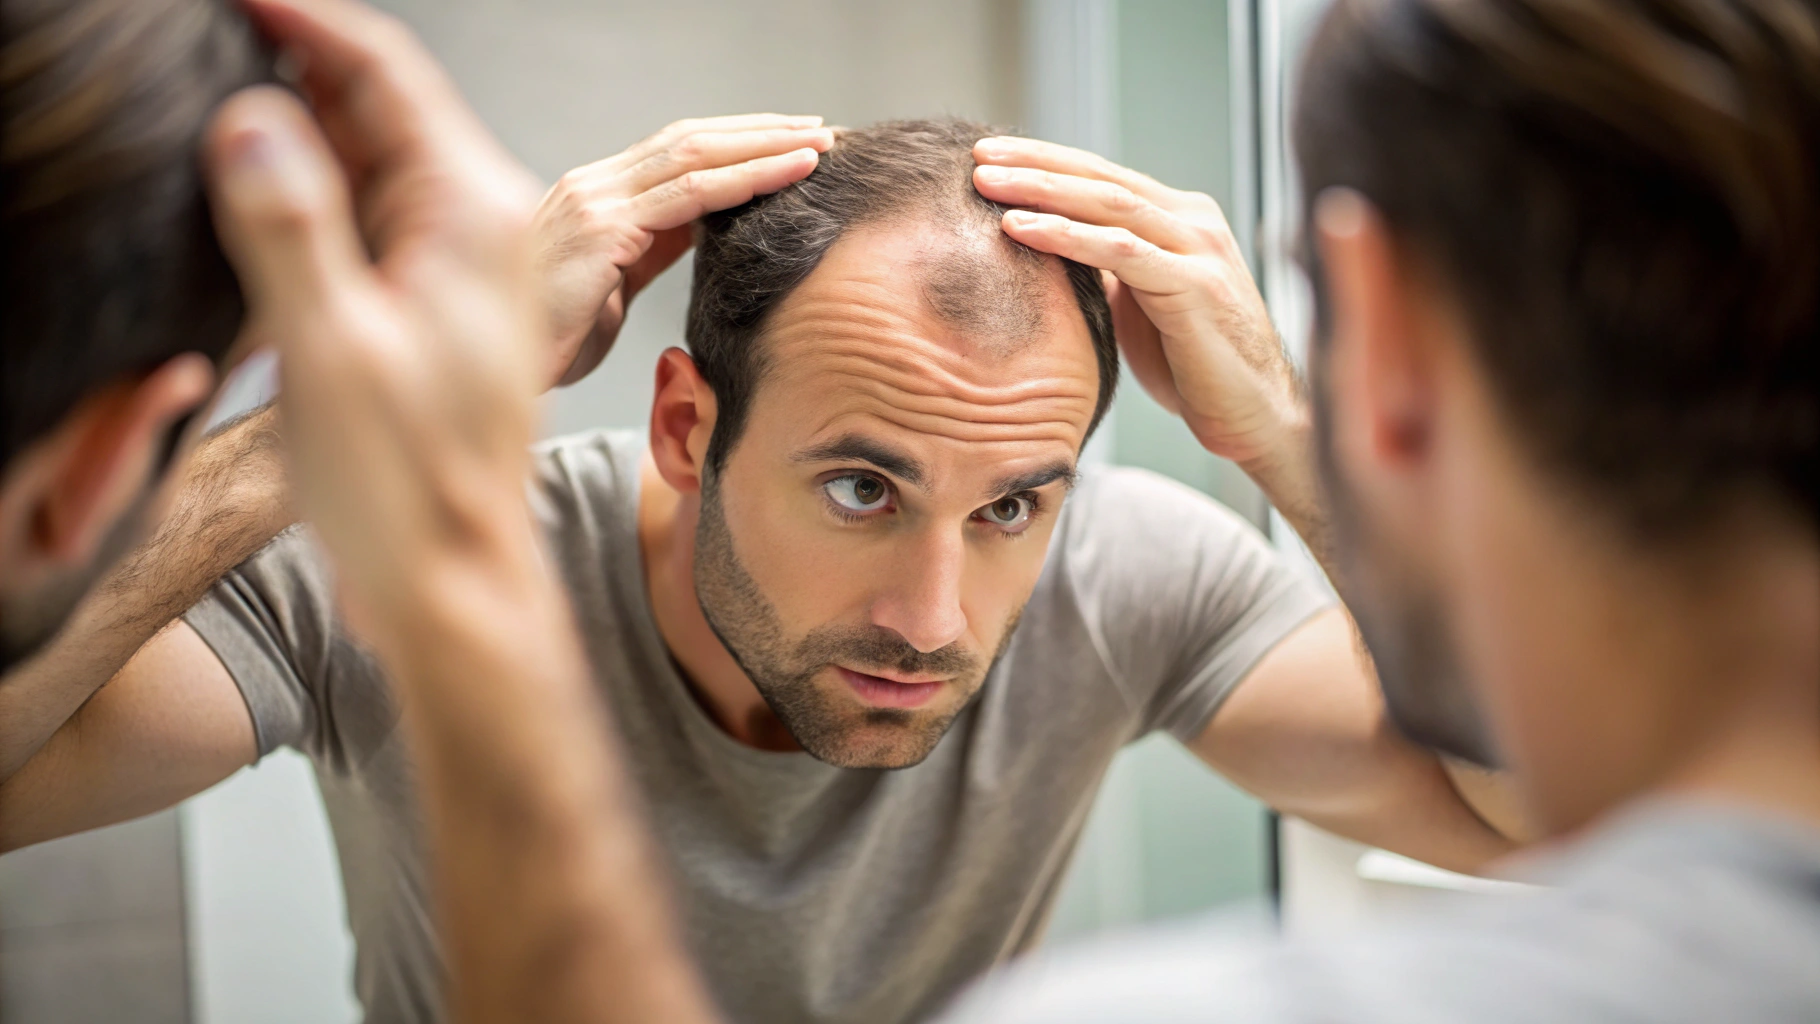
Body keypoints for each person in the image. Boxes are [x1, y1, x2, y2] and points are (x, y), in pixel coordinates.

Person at [2, 16, 1526, 1024]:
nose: (936, 616)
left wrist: (1286, 438)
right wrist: (326, 435)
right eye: (861, 488)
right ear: (683, 426)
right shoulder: (410, 567)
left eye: (1011, 503)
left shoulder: (1124, 576)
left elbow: (1539, 826)